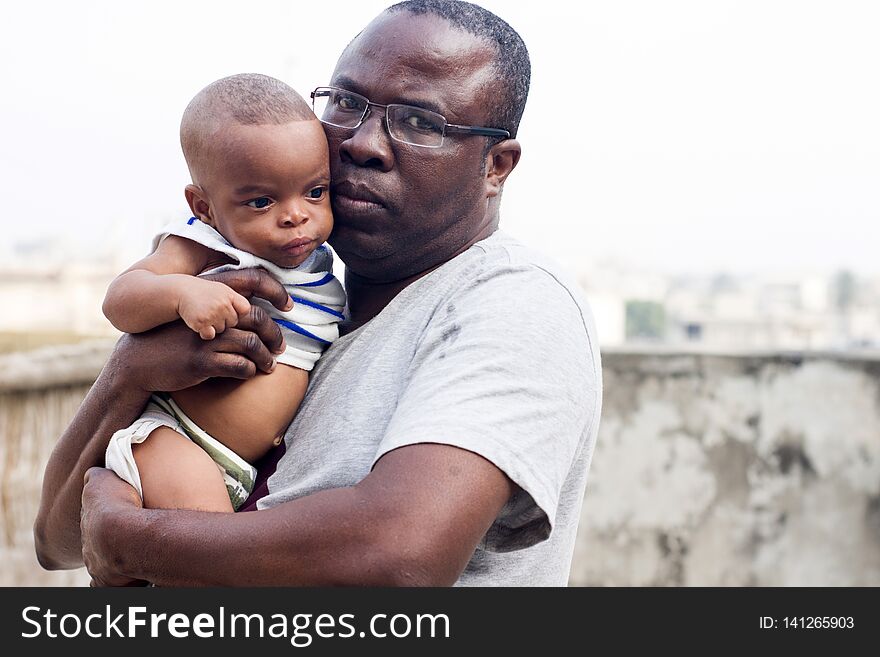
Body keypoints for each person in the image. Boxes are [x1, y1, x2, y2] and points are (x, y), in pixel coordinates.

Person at [34, 0, 602, 586]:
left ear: (496, 166)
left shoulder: (515, 303)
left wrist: (135, 542)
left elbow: (401, 557)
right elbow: (58, 541)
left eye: (419, 122)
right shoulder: (285, 294)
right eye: (347, 104)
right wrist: (131, 373)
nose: (361, 142)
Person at [100, 74, 345, 514]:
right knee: (211, 557)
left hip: (246, 468)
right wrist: (181, 293)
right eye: (260, 203)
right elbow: (120, 299)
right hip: (176, 441)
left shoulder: (322, 259)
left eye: (315, 192)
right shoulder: (204, 244)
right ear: (204, 208)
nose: (296, 216)